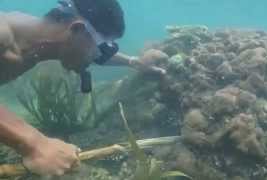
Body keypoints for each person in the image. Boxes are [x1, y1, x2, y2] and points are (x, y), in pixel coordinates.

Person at [0, 0, 165, 176]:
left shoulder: (41, 42)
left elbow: (94, 55)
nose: (98, 56)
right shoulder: (3, 34)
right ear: (77, 29)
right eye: (102, 47)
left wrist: (134, 62)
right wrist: (35, 144)